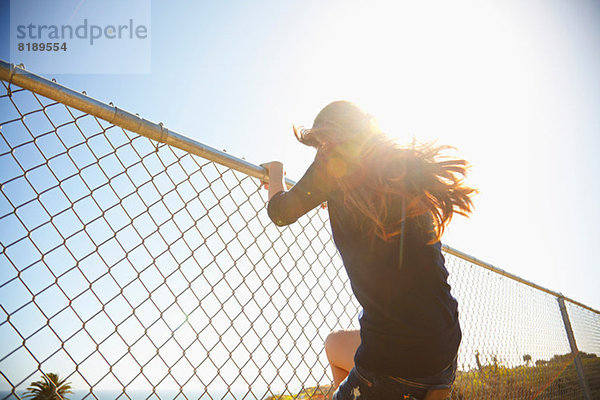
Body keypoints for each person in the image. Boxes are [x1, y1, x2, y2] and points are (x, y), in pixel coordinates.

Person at [261, 101, 476, 400]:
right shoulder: (401, 171)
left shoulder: (334, 159)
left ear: (329, 138)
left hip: (395, 359)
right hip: (443, 343)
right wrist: (335, 199)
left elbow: (281, 212)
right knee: (334, 344)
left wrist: (276, 173)